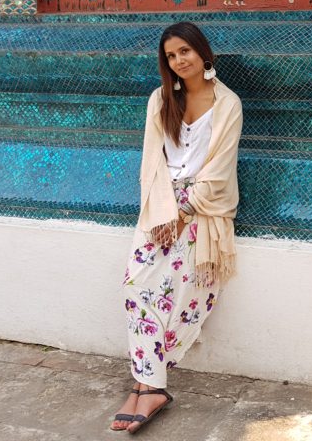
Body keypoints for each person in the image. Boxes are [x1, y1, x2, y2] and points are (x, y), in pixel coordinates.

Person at [112, 22, 243, 434]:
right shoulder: (160, 99)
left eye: (185, 51)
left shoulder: (228, 104)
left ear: (202, 53)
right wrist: (163, 213)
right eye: (171, 56)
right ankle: (149, 384)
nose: (179, 60)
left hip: (202, 212)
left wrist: (184, 213)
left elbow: (220, 171)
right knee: (137, 286)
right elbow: (152, 162)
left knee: (182, 295)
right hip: (159, 208)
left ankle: (148, 385)